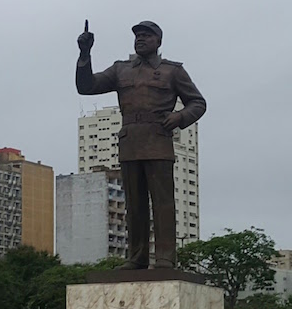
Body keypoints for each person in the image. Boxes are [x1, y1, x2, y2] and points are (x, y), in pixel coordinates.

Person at [76, 20, 206, 270]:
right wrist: (85, 53)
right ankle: (137, 257)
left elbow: (198, 102)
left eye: (147, 35)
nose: (140, 39)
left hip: (158, 140)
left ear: (158, 41)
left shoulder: (173, 71)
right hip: (130, 143)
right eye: (137, 35)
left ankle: (166, 257)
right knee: (134, 205)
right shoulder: (121, 70)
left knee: (163, 203)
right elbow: (87, 86)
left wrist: (179, 118)